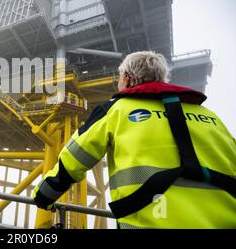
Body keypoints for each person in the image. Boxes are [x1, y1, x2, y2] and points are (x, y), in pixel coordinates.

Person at [32, 51, 236, 228]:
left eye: (119, 77)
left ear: (128, 78)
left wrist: (43, 196)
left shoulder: (116, 109)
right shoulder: (210, 116)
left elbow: (73, 159)